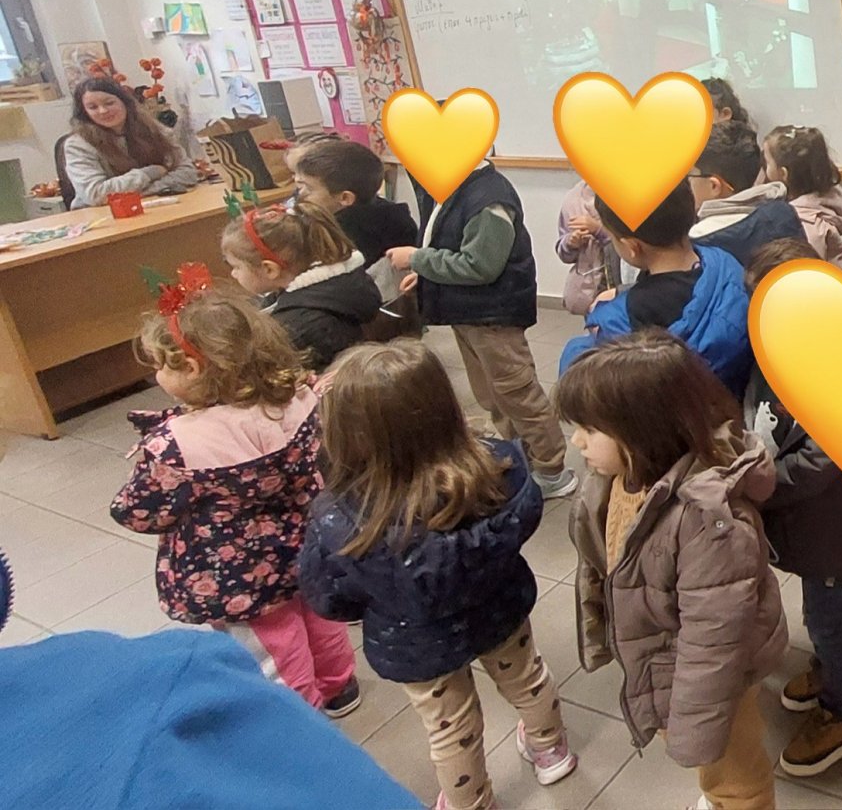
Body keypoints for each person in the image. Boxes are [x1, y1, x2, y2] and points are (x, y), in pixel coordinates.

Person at [300, 341, 577, 810]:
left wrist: (373, 602)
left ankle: (471, 802)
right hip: (499, 611)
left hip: (415, 641)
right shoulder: (495, 465)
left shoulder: (340, 513)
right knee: (528, 679)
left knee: (451, 728)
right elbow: (525, 515)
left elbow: (326, 592)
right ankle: (551, 750)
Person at [561, 332, 787, 810]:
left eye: (590, 430)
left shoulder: (709, 523)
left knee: (735, 775)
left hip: (713, 681)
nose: (576, 441)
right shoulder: (616, 478)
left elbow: (714, 643)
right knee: (715, 768)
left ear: (640, 431)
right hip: (666, 660)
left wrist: (694, 727)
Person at [110, 288, 359, 716]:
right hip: (309, 538)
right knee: (319, 614)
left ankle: (298, 717)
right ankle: (340, 686)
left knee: (273, 646)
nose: (156, 374)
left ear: (191, 368)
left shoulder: (178, 445)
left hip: (241, 572)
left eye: (160, 365)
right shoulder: (299, 397)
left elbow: (138, 512)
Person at [0, 630, 412, 810]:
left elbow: (138, 508)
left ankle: (313, 702)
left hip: (243, 584)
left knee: (281, 651)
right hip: (289, 558)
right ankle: (338, 685)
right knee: (312, 624)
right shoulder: (165, 677)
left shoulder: (164, 691)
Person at [742, 239, 842, 779]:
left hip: (828, 517)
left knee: (825, 609)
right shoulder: (778, 349)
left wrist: (761, 483)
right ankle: (833, 666)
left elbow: (823, 459)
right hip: (799, 514)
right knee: (820, 603)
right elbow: (759, 407)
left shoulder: (841, 367)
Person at [387, 160, 576, 499]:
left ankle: (552, 471)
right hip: (469, 311)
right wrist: (427, 274)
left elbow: (481, 265)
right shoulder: (455, 185)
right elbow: (451, 244)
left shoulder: (488, 197)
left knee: (517, 393)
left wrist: (418, 259)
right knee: (492, 394)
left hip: (493, 315)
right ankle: (523, 457)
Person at [558, 181, 752, 395]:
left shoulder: (618, 320)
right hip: (725, 402)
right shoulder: (726, 263)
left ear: (632, 247)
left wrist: (599, 327)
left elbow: (595, 386)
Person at [222, 202, 381, 371]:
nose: (233, 274)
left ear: (269, 269)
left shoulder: (294, 328)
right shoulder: (343, 285)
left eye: (236, 267)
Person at [62, 74, 198, 208]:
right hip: (102, 215)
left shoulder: (156, 130)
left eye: (109, 103)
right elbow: (96, 194)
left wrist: (142, 192)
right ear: (84, 112)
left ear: (125, 103)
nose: (103, 111)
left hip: (155, 207)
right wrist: (148, 174)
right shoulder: (78, 145)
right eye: (93, 107)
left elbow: (187, 173)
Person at [688, 119, 808, 268]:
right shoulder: (783, 211)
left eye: (690, 176)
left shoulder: (702, 239)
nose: (687, 182)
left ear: (714, 186)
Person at [289, 138, 419, 267]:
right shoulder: (386, 211)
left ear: (345, 198)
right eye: (300, 186)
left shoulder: (347, 240)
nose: (301, 194)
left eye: (309, 189)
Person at [762, 125, 842, 270]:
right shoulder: (824, 203)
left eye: (768, 163)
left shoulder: (806, 228)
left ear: (783, 174)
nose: (764, 168)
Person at [556, 178, 620, 316]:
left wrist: (599, 230)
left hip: (620, 281)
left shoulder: (626, 193)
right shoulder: (573, 199)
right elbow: (563, 251)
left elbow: (633, 242)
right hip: (589, 284)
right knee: (594, 323)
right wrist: (571, 243)